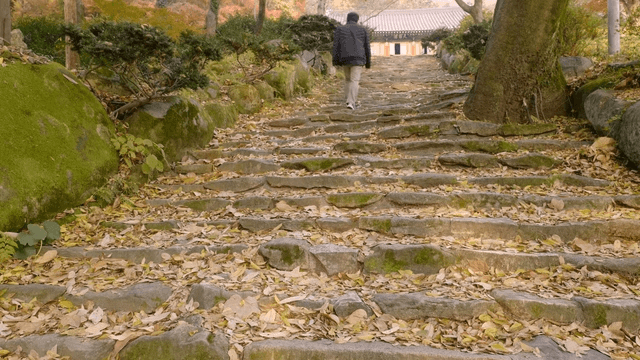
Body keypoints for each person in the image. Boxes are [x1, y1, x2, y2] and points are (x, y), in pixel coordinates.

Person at [332, 12, 371, 110]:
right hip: (358, 58)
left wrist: (335, 61)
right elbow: (367, 47)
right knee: (354, 80)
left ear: (347, 18)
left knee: (348, 80)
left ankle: (348, 100)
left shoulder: (340, 29)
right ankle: (351, 102)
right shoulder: (363, 30)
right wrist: (368, 63)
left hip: (345, 58)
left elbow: (336, 46)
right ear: (357, 19)